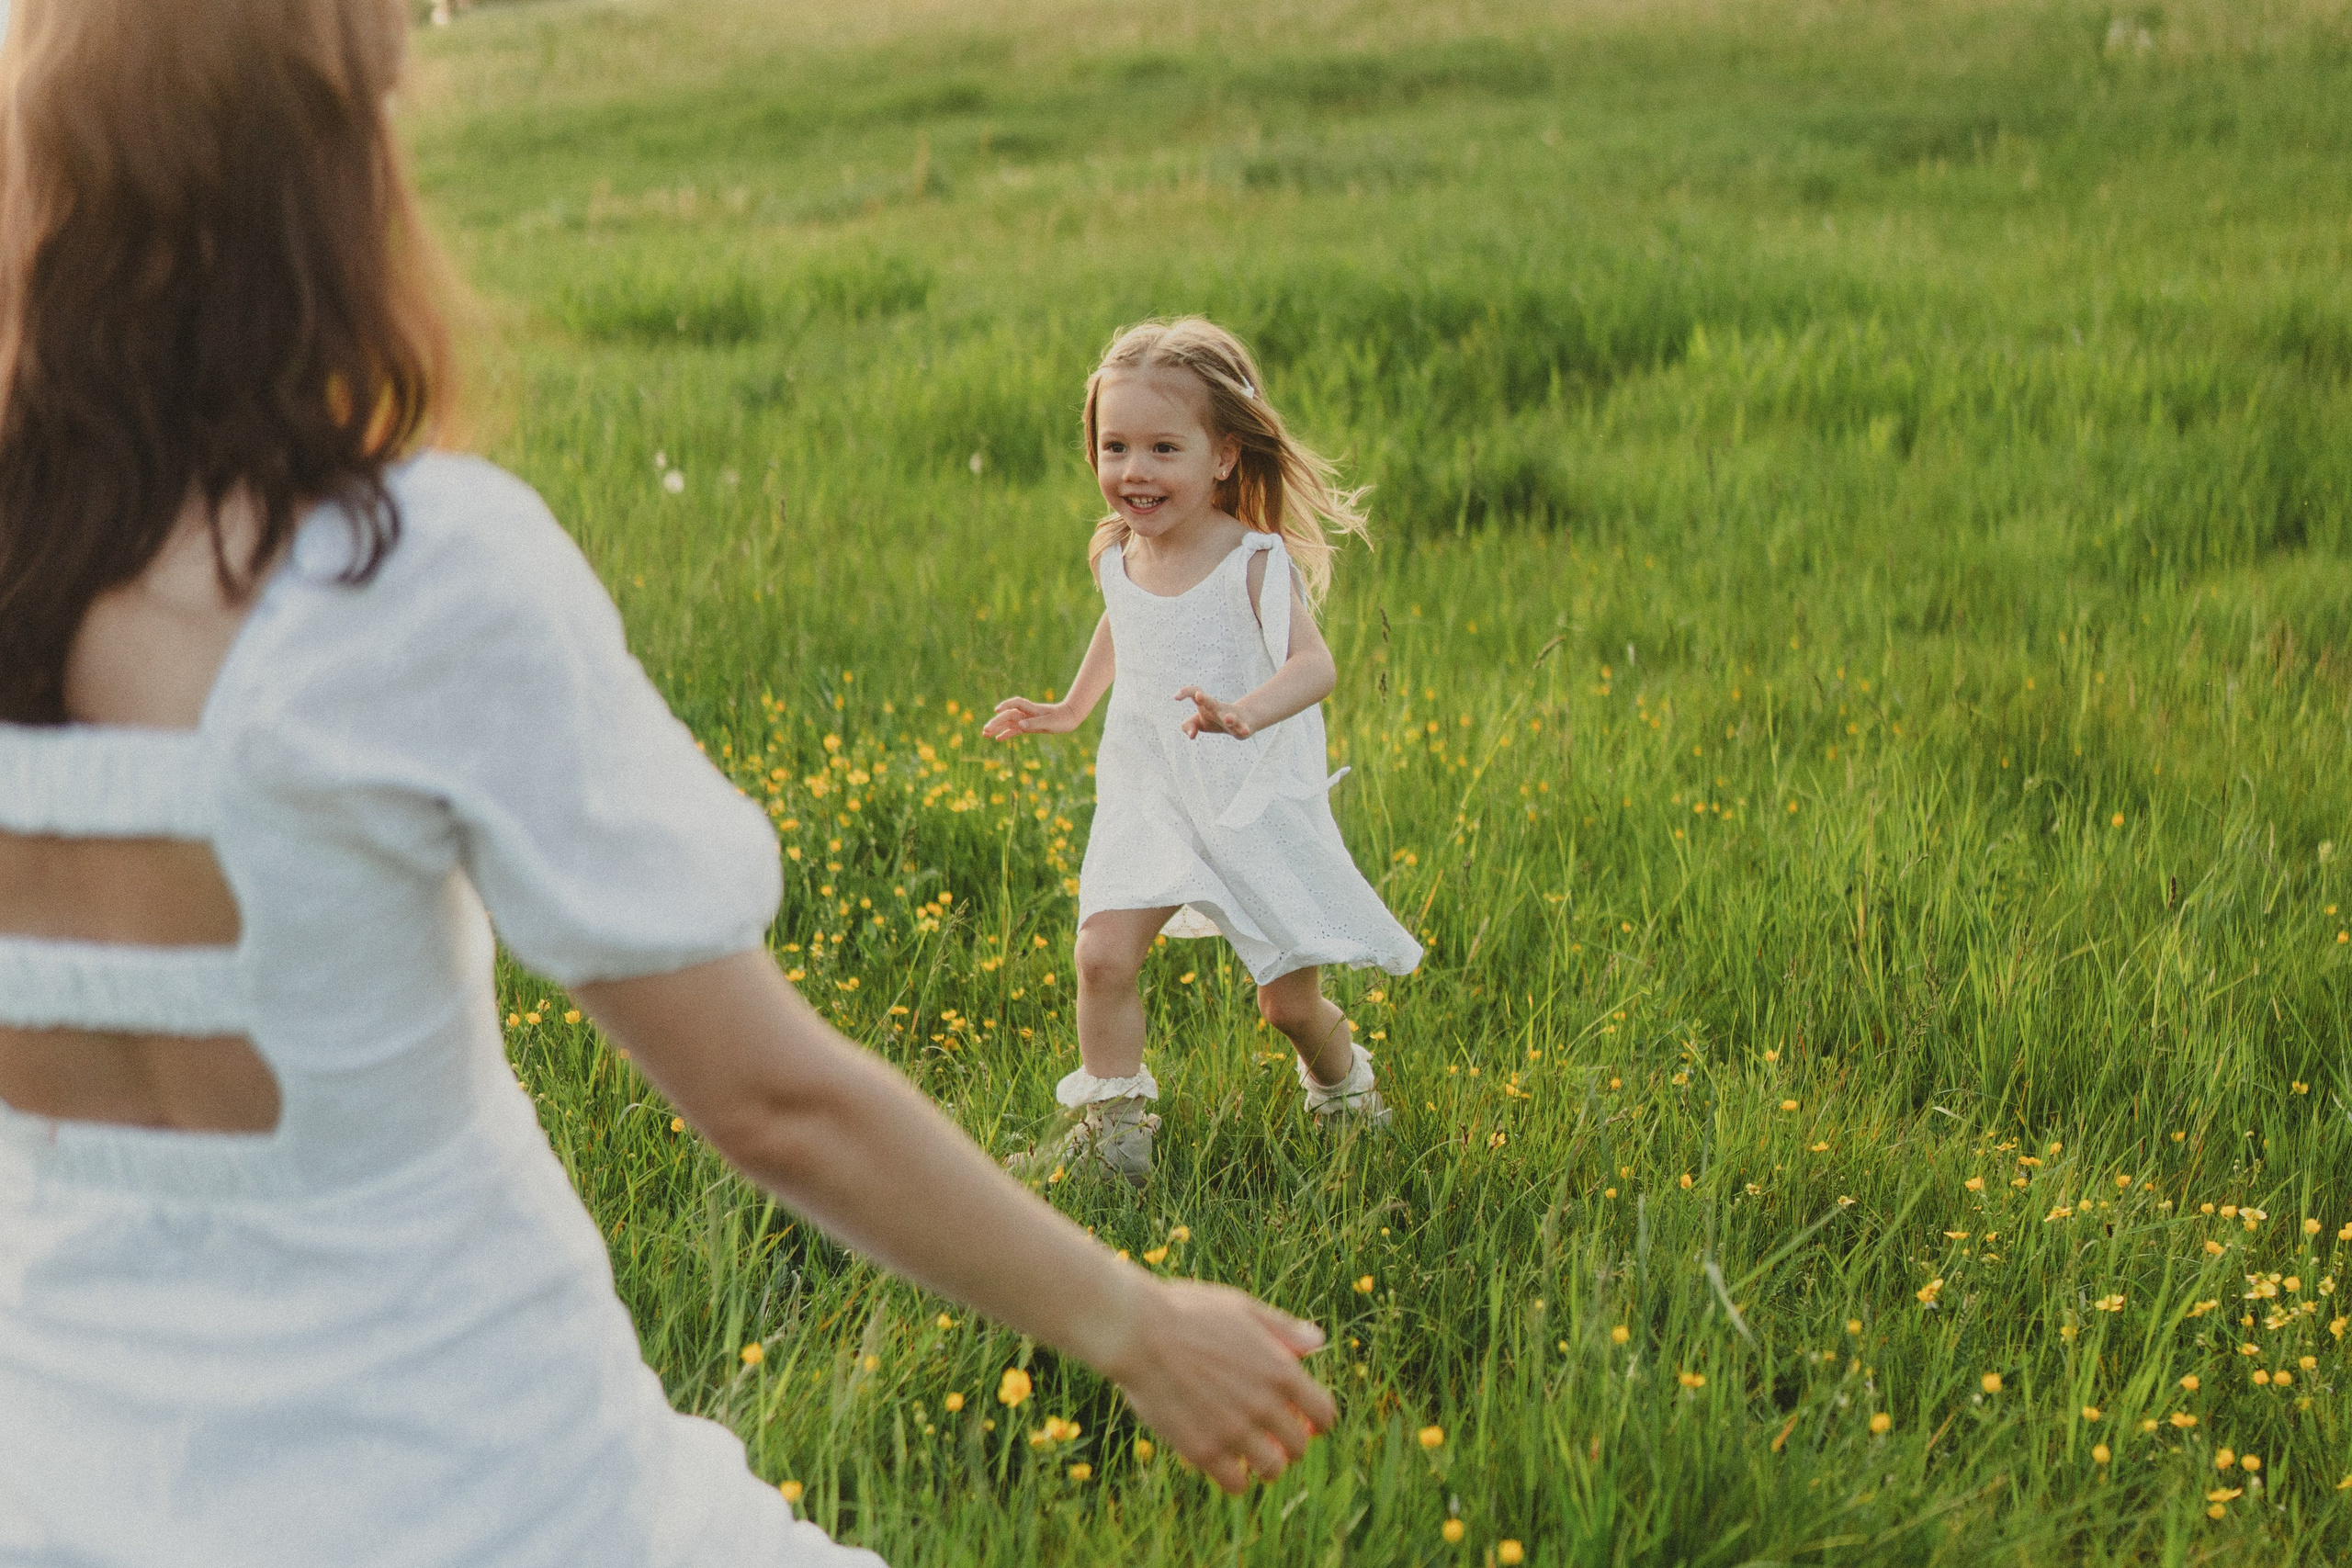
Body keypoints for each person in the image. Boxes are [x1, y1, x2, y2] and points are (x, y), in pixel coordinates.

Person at [0, 5, 1334, 1564]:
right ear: (335, 184)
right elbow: (772, 1100)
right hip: (486, 1483)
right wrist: (1137, 1322)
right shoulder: (407, 574)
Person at [983, 319, 1423, 1186]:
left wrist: (1246, 714)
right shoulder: (1120, 551)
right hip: (1149, 787)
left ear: (1224, 455)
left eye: (1161, 448)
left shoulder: (1253, 560)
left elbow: (1316, 665)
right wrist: (1073, 707)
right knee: (1102, 955)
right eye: (1114, 447)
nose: (1133, 472)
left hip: (1242, 794)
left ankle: (1345, 1092)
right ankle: (1115, 1137)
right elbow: (1129, 623)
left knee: (1284, 1004)